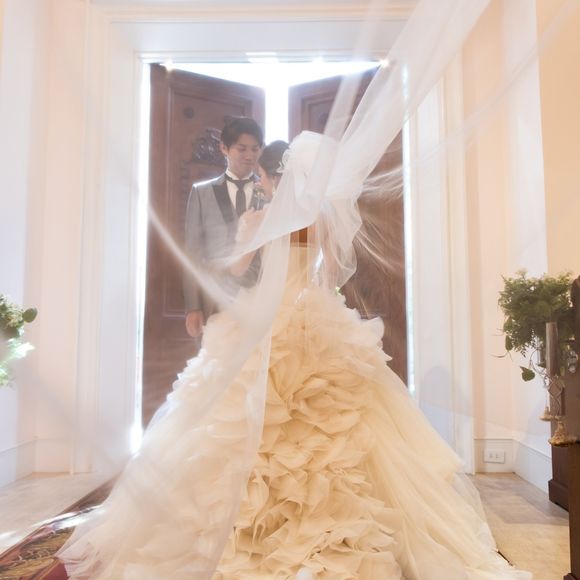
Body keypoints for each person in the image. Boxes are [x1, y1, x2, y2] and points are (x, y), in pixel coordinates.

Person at [58, 137, 531, 579]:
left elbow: (238, 270)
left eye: (264, 176)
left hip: (264, 316)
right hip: (313, 312)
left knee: (236, 416)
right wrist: (318, 305)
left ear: (271, 177)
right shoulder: (321, 219)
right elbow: (332, 275)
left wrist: (234, 252)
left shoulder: (259, 219)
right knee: (336, 420)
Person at [183, 116, 264, 339]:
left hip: (259, 298)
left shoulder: (269, 193)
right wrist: (193, 306)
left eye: (255, 149)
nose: (249, 156)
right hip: (214, 299)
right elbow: (193, 253)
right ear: (224, 148)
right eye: (242, 149)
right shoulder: (201, 193)